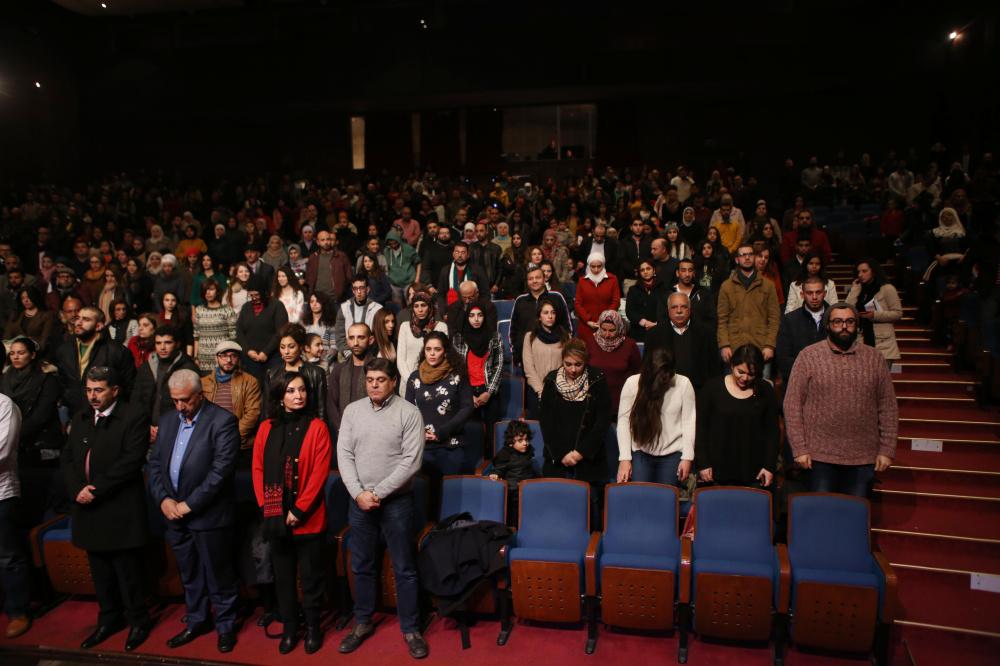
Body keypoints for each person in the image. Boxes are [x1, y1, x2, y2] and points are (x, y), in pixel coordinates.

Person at [337, 358, 428, 660]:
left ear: (393, 382)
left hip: (396, 503)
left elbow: (411, 462)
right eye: (369, 380)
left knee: (404, 568)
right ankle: (362, 622)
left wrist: (377, 493)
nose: (374, 385)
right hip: (359, 502)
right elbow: (344, 455)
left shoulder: (409, 412)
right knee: (361, 565)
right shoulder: (352, 411)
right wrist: (358, 493)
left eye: (380, 380)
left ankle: (411, 629)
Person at [147, 370, 240, 653]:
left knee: (218, 575)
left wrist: (189, 505)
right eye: (174, 400)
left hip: (208, 516)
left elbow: (220, 473)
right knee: (189, 574)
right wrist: (164, 500)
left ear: (200, 394)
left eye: (185, 400)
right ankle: (197, 620)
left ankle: (226, 626)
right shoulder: (167, 420)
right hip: (173, 515)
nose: (180, 406)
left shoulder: (223, 421)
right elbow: (155, 465)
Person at [61, 366, 152, 652]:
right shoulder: (82, 416)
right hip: (87, 507)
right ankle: (109, 618)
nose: (92, 396)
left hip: (118, 507)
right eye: (89, 390)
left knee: (127, 572)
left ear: (115, 390)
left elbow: (131, 461)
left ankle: (138, 620)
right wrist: (77, 489)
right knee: (99, 570)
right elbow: (68, 458)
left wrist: (95, 489)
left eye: (98, 390)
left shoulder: (133, 416)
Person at [251, 372, 332, 654]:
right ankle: (289, 628)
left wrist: (299, 509)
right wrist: (266, 506)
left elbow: (319, 473)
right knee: (283, 579)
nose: (299, 396)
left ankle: (312, 627)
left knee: (311, 579)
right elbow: (257, 468)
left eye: (302, 390)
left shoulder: (318, 427)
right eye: (291, 391)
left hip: (308, 517)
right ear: (279, 396)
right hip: (275, 517)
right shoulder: (266, 428)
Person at [784, 303, 899, 497]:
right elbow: (792, 404)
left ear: (857, 325)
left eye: (850, 321)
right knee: (822, 511)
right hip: (818, 457)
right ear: (828, 325)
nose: (844, 326)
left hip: (862, 457)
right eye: (837, 321)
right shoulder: (808, 356)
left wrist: (887, 449)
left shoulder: (874, 358)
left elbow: (888, 407)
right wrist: (799, 448)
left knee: (854, 513)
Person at [539, 339, 611, 527]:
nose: (573, 369)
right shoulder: (551, 381)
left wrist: (581, 452)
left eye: (578, 365)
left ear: (585, 362)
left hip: (588, 460)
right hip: (558, 459)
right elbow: (546, 422)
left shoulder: (597, 379)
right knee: (557, 510)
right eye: (568, 364)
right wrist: (561, 453)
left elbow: (602, 421)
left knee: (589, 509)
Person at [694, 344, 779, 488]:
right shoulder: (712, 388)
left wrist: (769, 466)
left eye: (751, 374)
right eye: (740, 372)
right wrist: (703, 463)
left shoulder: (765, 390)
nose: (745, 378)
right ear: (732, 365)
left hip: (754, 473)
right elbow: (701, 429)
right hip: (716, 472)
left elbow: (772, 432)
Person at [405, 331, 473, 507]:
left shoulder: (458, 375)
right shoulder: (414, 378)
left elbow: (467, 407)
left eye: (437, 349)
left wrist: (441, 432)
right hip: (422, 447)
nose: (432, 353)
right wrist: (419, 433)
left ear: (445, 351)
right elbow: (407, 411)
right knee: (423, 502)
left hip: (451, 446)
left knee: (449, 502)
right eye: (428, 349)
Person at [616, 347, 695, 486]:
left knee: (667, 496)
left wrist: (687, 457)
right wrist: (625, 459)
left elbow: (689, 421)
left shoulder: (683, 384)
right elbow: (624, 421)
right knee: (640, 494)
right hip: (641, 451)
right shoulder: (632, 383)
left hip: (672, 452)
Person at [54, 306, 136, 416]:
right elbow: (62, 382)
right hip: (74, 415)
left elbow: (129, 387)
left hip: (109, 415)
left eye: (86, 319)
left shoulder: (117, 351)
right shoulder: (64, 350)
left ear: (98, 326)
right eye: (77, 318)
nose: (79, 323)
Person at [716, 243, 780, 378]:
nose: (747, 258)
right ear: (737, 259)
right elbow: (722, 319)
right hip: (734, 347)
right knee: (732, 387)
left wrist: (770, 345)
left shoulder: (768, 285)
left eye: (750, 254)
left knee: (762, 387)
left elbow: (774, 318)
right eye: (743, 255)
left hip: (761, 347)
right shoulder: (726, 286)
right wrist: (724, 345)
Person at [0, 349, 30, 640]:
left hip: (2, 493)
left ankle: (18, 610)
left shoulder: (5, 405)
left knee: (8, 556)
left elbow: (3, 451)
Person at [0, 337, 62, 466]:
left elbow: (41, 416)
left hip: (39, 443)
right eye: (12, 353)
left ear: (32, 355)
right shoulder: (5, 378)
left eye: (21, 353)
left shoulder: (47, 378)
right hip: (12, 439)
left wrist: (14, 433)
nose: (15, 357)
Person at [134, 325, 201, 442]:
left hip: (176, 431)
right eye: (158, 343)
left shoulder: (188, 368)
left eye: (168, 342)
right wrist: (144, 426)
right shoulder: (146, 367)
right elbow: (136, 399)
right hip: (146, 431)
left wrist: (165, 427)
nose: (162, 347)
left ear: (177, 344)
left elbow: (193, 404)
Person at [646, 292, 719, 391]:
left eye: (684, 307)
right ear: (668, 310)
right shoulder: (654, 334)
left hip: (699, 390)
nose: (679, 311)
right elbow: (647, 368)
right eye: (674, 307)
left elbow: (714, 368)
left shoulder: (707, 333)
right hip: (664, 390)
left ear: (690, 309)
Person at [201, 341, 262, 457]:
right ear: (216, 358)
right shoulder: (203, 382)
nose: (229, 360)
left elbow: (253, 413)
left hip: (238, 443)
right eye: (224, 355)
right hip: (209, 442)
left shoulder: (250, 381)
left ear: (238, 358)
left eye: (233, 356)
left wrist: (231, 436)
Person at [451, 303, 503, 435]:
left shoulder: (494, 337)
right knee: (470, 432)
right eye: (472, 315)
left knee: (493, 432)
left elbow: (498, 365)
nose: (476, 319)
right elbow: (456, 368)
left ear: (485, 317)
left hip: (488, 389)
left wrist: (489, 392)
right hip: (467, 390)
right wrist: (468, 394)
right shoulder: (459, 338)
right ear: (466, 318)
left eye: (480, 315)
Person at [264, 324, 327, 422]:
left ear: (300, 347)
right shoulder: (272, 374)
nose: (286, 352)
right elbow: (268, 409)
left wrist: (319, 429)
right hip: (280, 426)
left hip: (309, 425)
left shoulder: (317, 373)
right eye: (282, 347)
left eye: (291, 347)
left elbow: (321, 409)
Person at [510, 266, 571, 366]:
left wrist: (565, 349)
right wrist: (516, 352)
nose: (534, 281)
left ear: (544, 279)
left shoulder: (556, 297)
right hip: (526, 355)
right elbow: (513, 330)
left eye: (538, 277)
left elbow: (567, 326)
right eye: (530, 279)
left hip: (554, 354)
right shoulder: (520, 300)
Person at [236, 274, 289, 386]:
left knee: (272, 388)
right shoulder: (246, 307)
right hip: (251, 358)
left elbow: (280, 332)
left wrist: (266, 352)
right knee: (253, 389)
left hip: (273, 357)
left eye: (257, 295)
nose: (254, 298)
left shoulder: (277, 306)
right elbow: (239, 331)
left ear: (264, 292)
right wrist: (248, 350)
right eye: (251, 295)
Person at [522, 297, 571, 419]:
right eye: (546, 313)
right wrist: (541, 391)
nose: (550, 316)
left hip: (559, 391)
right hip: (536, 391)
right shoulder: (530, 337)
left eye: (553, 313)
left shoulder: (566, 337)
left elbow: (568, 366)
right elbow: (529, 368)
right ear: (539, 317)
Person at [585, 310, 641, 414]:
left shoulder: (630, 345)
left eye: (612, 330)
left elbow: (637, 373)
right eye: (603, 329)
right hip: (595, 402)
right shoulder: (590, 342)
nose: (607, 335)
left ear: (619, 328)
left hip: (622, 402)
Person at [846, 259, 903, 362]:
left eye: (864, 271)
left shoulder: (887, 288)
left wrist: (874, 315)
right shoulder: (858, 289)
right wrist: (854, 290)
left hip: (883, 342)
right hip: (861, 340)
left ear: (873, 271)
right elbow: (847, 310)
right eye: (858, 272)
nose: (860, 275)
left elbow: (898, 313)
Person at [776, 276, 830, 382]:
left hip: (830, 380)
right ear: (802, 295)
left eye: (818, 292)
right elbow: (783, 357)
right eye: (809, 293)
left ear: (825, 293)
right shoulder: (789, 320)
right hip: (798, 381)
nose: (814, 297)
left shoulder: (835, 318)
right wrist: (806, 375)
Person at [396, 291, 447, 397]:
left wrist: (429, 381)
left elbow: (444, 357)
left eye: (423, 305)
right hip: (408, 383)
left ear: (430, 307)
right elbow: (400, 359)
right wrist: (412, 381)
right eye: (416, 306)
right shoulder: (405, 327)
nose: (420, 310)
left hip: (434, 383)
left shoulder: (441, 327)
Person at [326, 322, 375, 435]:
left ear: (371, 340)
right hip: (343, 431)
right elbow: (331, 404)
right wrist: (341, 428)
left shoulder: (379, 368)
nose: (355, 343)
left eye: (361, 337)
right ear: (347, 341)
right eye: (351, 338)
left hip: (372, 431)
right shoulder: (339, 369)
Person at [488, 419, 539, 525]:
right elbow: (498, 469)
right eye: (520, 440)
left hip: (529, 488)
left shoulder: (528, 450)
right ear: (511, 442)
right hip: (514, 492)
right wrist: (495, 474)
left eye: (526, 439)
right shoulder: (505, 454)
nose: (525, 443)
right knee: (515, 517)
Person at [193, 279, 237, 373]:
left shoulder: (227, 311)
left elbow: (233, 338)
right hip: (204, 361)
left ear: (217, 291)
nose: (208, 293)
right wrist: (196, 357)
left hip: (223, 360)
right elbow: (196, 337)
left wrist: (230, 359)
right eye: (205, 290)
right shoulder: (199, 310)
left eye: (211, 289)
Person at [334, 276, 383, 362]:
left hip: (370, 353)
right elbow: (340, 336)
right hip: (348, 352)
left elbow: (379, 337)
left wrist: (368, 356)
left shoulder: (377, 309)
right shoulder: (344, 308)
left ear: (367, 289)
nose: (359, 292)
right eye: (355, 288)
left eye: (361, 288)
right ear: (353, 290)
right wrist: (350, 355)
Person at [435, 241, 488, 314]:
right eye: (457, 252)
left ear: (468, 255)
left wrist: (478, 311)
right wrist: (443, 312)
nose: (460, 255)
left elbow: (485, 294)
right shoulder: (445, 270)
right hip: (451, 311)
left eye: (463, 252)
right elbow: (441, 294)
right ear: (453, 254)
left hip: (472, 312)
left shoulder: (478, 270)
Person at [4, 286, 56, 355]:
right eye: (23, 298)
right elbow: (7, 336)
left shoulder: (46, 315)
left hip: (36, 352)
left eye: (28, 297)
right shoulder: (15, 314)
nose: (26, 300)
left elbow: (45, 340)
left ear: (35, 297)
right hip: (14, 352)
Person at [304, 230, 353, 303]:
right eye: (323, 240)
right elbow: (308, 278)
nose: (326, 242)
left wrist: (342, 292)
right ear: (318, 242)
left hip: (336, 299)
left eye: (328, 239)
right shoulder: (313, 258)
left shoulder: (341, 256)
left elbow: (349, 277)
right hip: (318, 299)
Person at [625, 260, 668, 342]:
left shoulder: (663, 288)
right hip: (638, 332)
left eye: (648, 269)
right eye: (642, 270)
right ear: (639, 273)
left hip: (659, 330)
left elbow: (667, 310)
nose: (645, 272)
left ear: (654, 270)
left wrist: (656, 324)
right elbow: (630, 311)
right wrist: (645, 323)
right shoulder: (633, 290)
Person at [384, 229, 420, 306]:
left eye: (395, 242)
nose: (393, 245)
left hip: (409, 283)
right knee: (397, 307)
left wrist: (417, 280)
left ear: (398, 240)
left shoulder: (408, 249)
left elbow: (419, 263)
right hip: (394, 285)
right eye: (390, 243)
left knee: (411, 304)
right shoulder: (386, 251)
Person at [303, 291, 338, 367]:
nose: (314, 304)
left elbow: (334, 347)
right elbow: (302, 346)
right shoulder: (305, 325)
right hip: (307, 363)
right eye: (312, 301)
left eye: (318, 301)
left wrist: (324, 362)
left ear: (323, 303)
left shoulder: (331, 325)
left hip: (326, 364)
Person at [157, 291, 194, 356]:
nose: (170, 303)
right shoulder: (158, 317)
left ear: (177, 302)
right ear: (162, 302)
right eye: (167, 300)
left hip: (179, 353)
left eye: (173, 300)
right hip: (162, 353)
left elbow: (189, 340)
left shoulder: (183, 317)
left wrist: (189, 358)